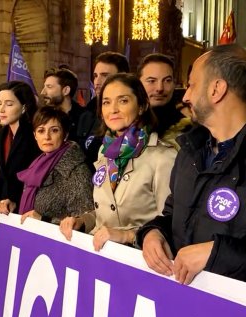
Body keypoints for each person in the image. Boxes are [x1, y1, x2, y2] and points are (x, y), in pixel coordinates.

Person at [136, 44, 246, 288]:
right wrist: (153, 233)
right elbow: (174, 215)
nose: (185, 96)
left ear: (217, 89)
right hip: (179, 304)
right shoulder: (190, 150)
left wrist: (216, 253)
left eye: (192, 85)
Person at [59, 73, 177, 251]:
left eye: (122, 101)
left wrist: (127, 236)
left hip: (140, 263)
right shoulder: (104, 151)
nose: (112, 109)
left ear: (141, 106)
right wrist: (83, 221)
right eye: (106, 102)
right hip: (102, 259)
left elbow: (171, 225)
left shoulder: (162, 156)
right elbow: (106, 213)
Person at [16, 106, 94, 224]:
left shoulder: (76, 172)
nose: (47, 137)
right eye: (41, 131)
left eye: (54, 130)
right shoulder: (37, 164)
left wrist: (44, 220)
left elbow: (84, 224)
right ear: (35, 135)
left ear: (65, 134)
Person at [0, 82, 41, 218]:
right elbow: (4, 181)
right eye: (0, 103)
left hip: (29, 211)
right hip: (6, 211)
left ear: (24, 107)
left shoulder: (33, 136)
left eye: (9, 104)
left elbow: (32, 180)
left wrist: (13, 200)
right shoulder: (3, 134)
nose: (1, 109)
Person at [77, 52, 130, 169]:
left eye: (105, 75)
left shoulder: (130, 117)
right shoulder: (86, 114)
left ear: (123, 77)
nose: (97, 82)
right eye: (95, 76)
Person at [137, 53, 192, 149]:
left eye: (167, 80)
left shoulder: (188, 130)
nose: (160, 88)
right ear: (138, 83)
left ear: (174, 83)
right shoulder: (126, 124)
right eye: (151, 81)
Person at [41, 68, 88, 143]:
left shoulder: (85, 119)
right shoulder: (41, 117)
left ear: (66, 90)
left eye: (49, 87)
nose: (42, 92)